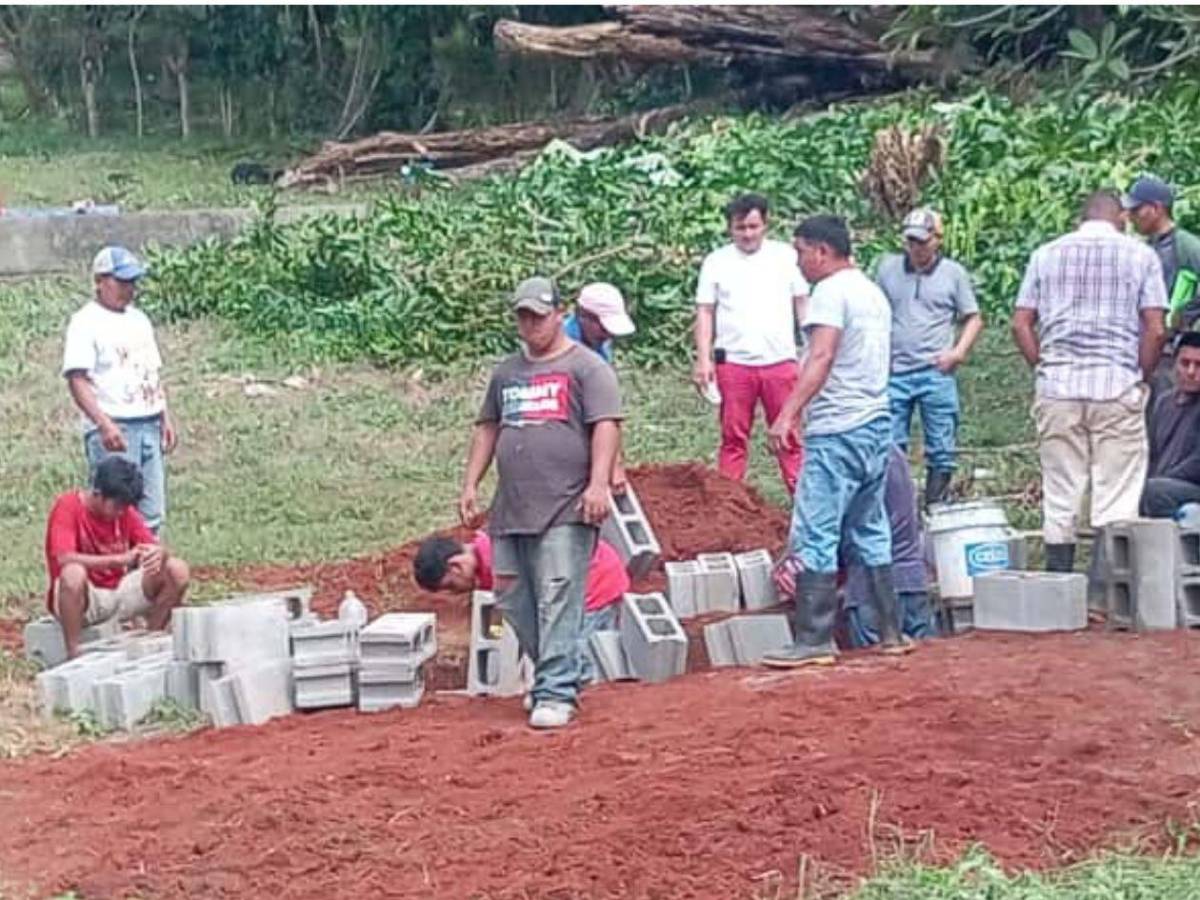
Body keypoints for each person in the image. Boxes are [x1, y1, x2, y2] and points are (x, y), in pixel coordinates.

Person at [458, 276, 623, 729]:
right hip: (511, 508)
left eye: (539, 314)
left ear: (558, 313)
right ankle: (565, 674)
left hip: (566, 505)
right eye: (523, 315)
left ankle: (553, 691)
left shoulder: (587, 368)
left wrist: (598, 484)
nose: (530, 323)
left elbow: (606, 426)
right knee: (512, 597)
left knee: (558, 594)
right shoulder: (507, 372)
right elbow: (487, 427)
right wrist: (471, 483)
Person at [762, 215, 910, 669]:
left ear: (822, 252)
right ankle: (891, 631)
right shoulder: (872, 293)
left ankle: (814, 637)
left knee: (817, 528)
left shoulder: (829, 294)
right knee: (870, 526)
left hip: (837, 427)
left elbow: (822, 355)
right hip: (874, 424)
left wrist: (787, 413)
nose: (799, 261)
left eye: (802, 251)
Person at [1011, 190, 1168, 572]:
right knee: (1116, 491)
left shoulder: (1045, 254)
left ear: (1080, 218)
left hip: (1058, 387)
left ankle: (1058, 586)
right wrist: (1140, 375)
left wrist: (1043, 366)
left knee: (1061, 490)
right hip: (1116, 385)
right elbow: (1156, 329)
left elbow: (1021, 322)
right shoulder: (1140, 256)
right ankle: (1104, 592)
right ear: (1121, 219)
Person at [693, 193, 809, 494]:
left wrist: (809, 351)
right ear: (730, 229)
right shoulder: (716, 262)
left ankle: (803, 503)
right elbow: (705, 311)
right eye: (740, 228)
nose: (747, 234)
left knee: (789, 436)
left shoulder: (786, 257)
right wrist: (703, 359)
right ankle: (729, 503)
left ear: (765, 225)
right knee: (733, 438)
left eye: (753, 227)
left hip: (780, 362)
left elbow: (802, 304)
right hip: (733, 363)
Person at [413, 531, 630, 684]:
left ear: (456, 566)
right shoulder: (488, 555)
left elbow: (516, 608)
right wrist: (491, 646)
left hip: (594, 582)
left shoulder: (498, 562)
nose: (456, 592)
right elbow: (498, 610)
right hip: (584, 577)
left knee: (581, 656)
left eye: (451, 586)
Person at [63, 246, 177, 534]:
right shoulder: (85, 322)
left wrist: (165, 416)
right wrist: (104, 424)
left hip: (148, 421)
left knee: (152, 513)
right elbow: (77, 379)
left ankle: (145, 576)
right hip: (115, 426)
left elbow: (151, 372)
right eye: (121, 282)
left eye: (132, 282)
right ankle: (109, 574)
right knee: (113, 510)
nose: (129, 289)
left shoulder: (139, 320)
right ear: (100, 281)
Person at [876, 208, 983, 507]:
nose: (916, 249)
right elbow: (875, 312)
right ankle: (896, 507)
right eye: (911, 242)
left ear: (937, 240)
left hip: (935, 372)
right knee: (890, 444)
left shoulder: (953, 274)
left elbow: (973, 317)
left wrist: (958, 353)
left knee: (941, 445)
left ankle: (936, 503)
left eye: (922, 242)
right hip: (895, 371)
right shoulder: (887, 269)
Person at [44, 456, 190, 660]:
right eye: (117, 506)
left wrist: (159, 554)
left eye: (125, 507)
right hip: (88, 599)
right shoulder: (68, 506)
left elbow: (153, 546)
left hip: (118, 592)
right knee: (73, 574)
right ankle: (73, 652)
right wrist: (119, 560)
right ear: (98, 494)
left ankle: (150, 638)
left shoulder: (125, 513)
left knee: (177, 570)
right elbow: (64, 558)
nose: (121, 512)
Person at [563, 282, 634, 493]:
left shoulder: (601, 345)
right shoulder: (560, 346)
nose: (607, 335)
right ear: (584, 316)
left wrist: (615, 462)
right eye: (603, 327)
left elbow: (606, 409)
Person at [1123, 175, 1200, 330]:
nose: (1130, 217)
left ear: (1156, 209)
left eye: (1136, 210)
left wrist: (1184, 314)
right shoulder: (1144, 248)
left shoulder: (1186, 245)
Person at [1141, 331, 1200, 518]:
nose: (1191, 372)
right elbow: (1150, 452)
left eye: (1199, 365)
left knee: (1152, 491)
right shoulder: (1163, 402)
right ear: (1174, 363)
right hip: (1161, 485)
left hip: (1190, 490)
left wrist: (1158, 480)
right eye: (1185, 363)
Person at [563, 282, 636, 364]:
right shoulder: (558, 347)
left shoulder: (601, 345)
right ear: (582, 314)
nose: (607, 336)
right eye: (604, 329)